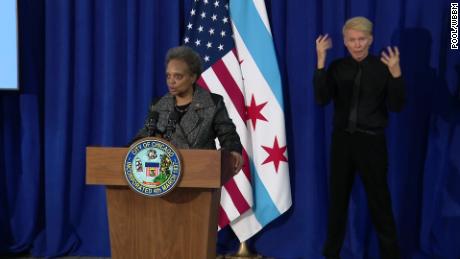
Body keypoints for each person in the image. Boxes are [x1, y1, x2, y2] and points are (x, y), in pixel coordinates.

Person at [314, 17, 405, 259]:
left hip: (372, 143)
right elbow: (321, 99)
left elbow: (396, 106)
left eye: (362, 39)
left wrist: (396, 76)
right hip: (342, 142)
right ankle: (331, 254)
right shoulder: (336, 68)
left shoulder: (383, 67)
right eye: (352, 40)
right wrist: (321, 63)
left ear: (371, 40)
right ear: (344, 41)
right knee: (338, 203)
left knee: (380, 203)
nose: (357, 45)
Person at [133, 45, 243, 173]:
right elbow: (144, 136)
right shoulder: (158, 105)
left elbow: (228, 135)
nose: (171, 82)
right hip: (165, 177)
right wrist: (125, 151)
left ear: (193, 77)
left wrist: (233, 151)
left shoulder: (212, 103)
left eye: (178, 76)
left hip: (202, 173)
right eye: (168, 76)